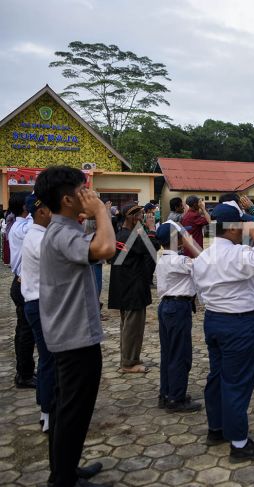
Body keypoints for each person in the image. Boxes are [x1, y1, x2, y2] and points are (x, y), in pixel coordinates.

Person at [35, 166, 117, 487]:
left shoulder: (62, 230)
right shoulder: (62, 233)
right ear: (68, 199)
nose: (91, 194)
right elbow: (105, 249)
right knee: (74, 412)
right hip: (75, 338)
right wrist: (99, 212)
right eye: (84, 190)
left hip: (66, 334)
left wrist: (95, 215)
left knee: (63, 408)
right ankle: (64, 478)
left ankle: (63, 470)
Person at [192, 203, 254, 461]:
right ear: (232, 228)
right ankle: (239, 444)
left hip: (214, 320)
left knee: (217, 376)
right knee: (237, 382)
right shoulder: (240, 254)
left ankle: (216, 428)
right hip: (241, 323)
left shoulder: (203, 257)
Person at [108, 204, 160, 373]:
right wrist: (151, 229)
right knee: (133, 328)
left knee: (128, 325)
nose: (142, 218)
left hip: (125, 287)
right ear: (130, 217)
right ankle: (129, 363)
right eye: (140, 215)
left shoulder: (121, 235)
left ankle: (128, 358)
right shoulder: (129, 237)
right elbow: (153, 247)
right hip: (133, 287)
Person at [155, 223, 201, 412]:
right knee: (180, 354)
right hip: (178, 307)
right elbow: (204, 261)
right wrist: (191, 244)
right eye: (182, 235)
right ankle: (176, 398)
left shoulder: (162, 260)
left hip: (166, 306)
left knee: (168, 353)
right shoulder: (179, 261)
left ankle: (166, 393)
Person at [20, 194, 54, 432]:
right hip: (41, 303)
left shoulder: (36, 235)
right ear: (41, 212)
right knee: (51, 361)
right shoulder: (39, 239)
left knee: (47, 360)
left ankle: (46, 411)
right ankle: (50, 414)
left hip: (38, 302)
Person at [8, 191, 36, 389]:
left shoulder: (19, 225)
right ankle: (24, 374)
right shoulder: (23, 227)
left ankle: (24, 371)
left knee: (24, 330)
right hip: (22, 282)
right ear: (26, 207)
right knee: (26, 332)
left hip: (20, 282)